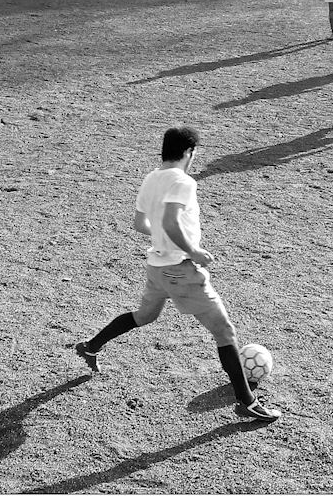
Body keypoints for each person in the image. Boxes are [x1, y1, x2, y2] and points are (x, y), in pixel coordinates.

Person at [74, 126, 281, 423]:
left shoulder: (151, 178)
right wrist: (192, 251)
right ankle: (246, 401)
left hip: (157, 268)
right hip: (180, 271)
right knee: (225, 332)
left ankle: (91, 346)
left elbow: (139, 223)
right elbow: (171, 221)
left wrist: (163, 236)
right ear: (188, 152)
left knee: (144, 317)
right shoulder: (183, 181)